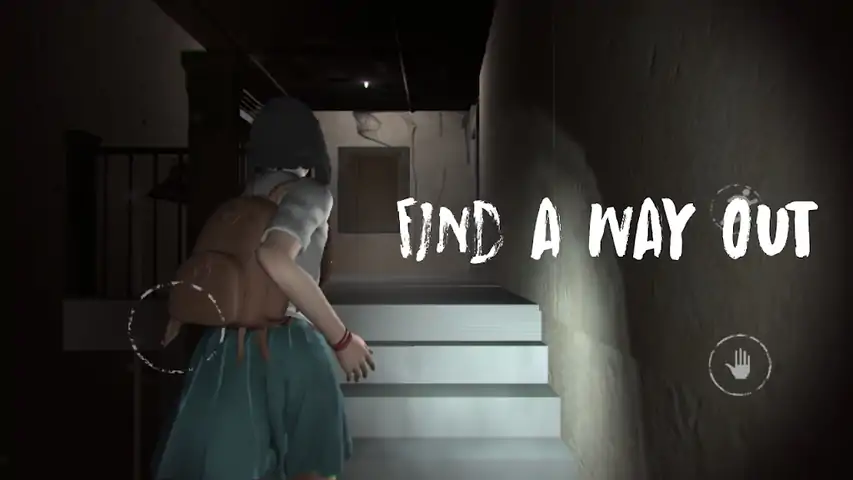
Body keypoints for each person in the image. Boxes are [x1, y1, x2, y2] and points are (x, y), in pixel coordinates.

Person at [153, 96, 375, 480]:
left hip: (225, 349)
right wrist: (341, 339)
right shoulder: (309, 192)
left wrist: (178, 317)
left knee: (229, 460)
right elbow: (274, 256)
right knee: (309, 462)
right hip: (288, 345)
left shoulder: (243, 197)